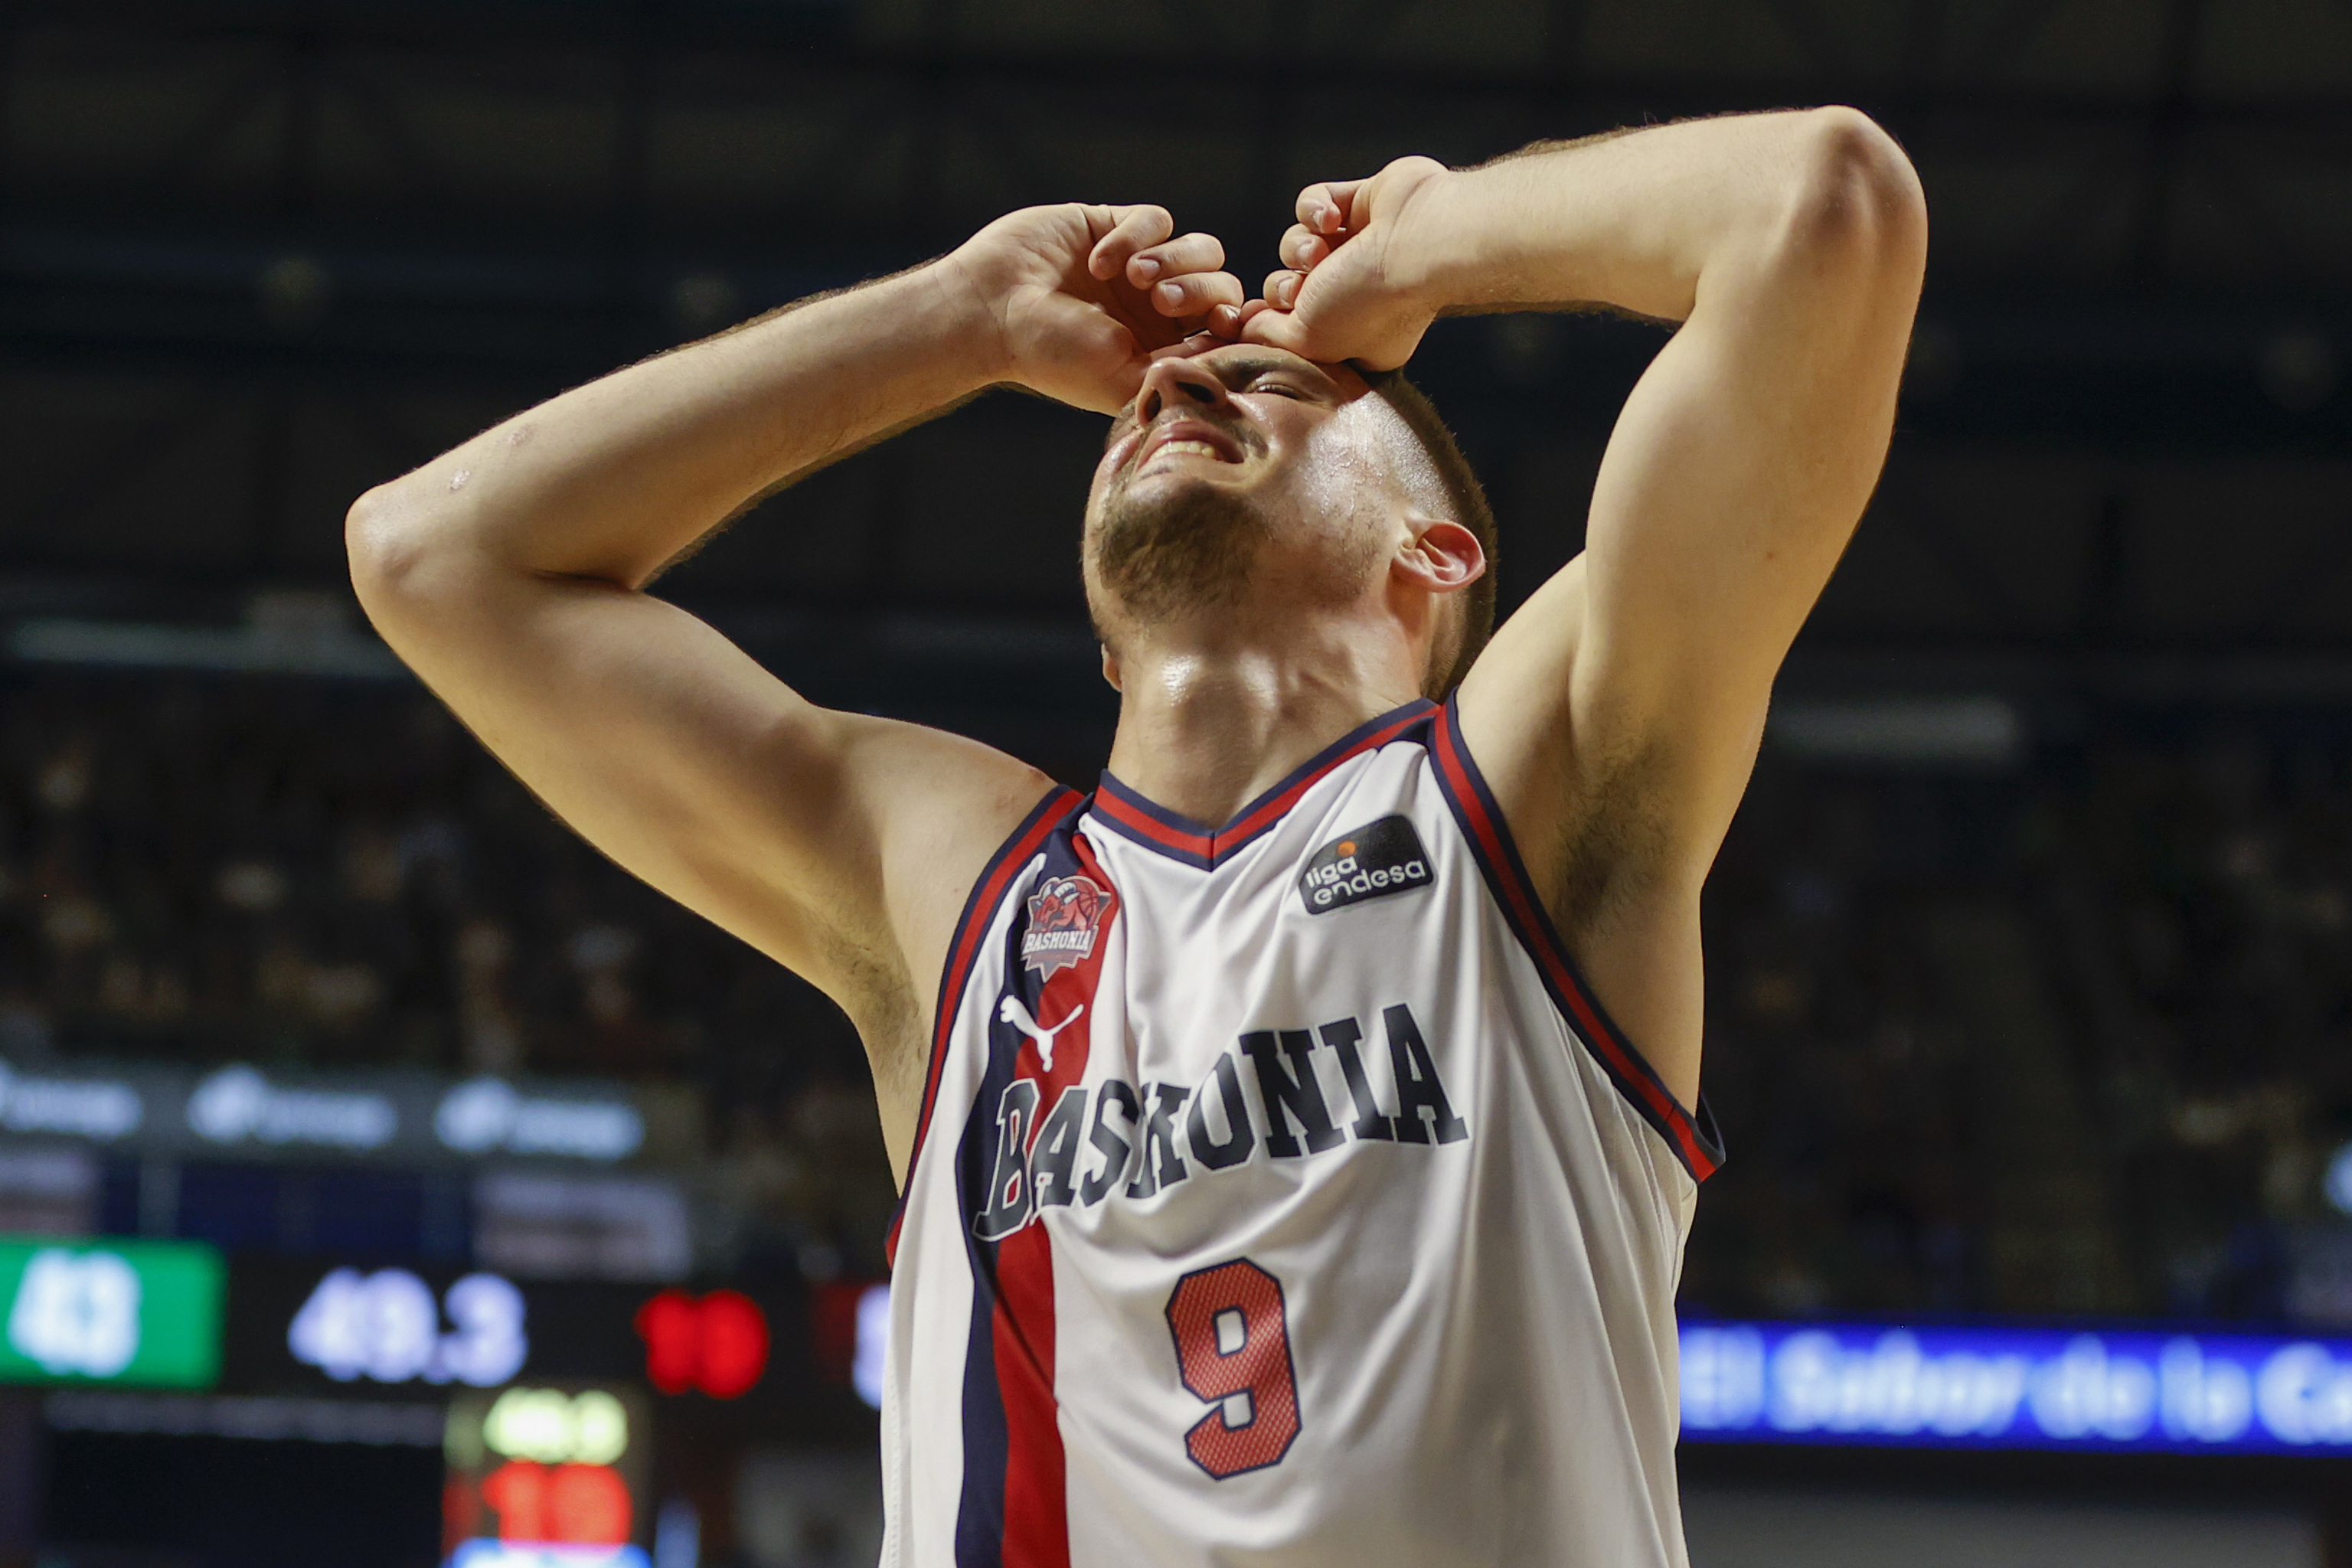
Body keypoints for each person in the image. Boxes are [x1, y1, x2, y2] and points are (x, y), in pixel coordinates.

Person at [349, 106, 1924, 1567]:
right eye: (1167, 386)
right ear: (1103, 644)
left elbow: (1824, 211)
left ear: (1431, 553)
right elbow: (436, 555)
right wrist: (954, 319)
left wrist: (1427, 241)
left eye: (1278, 383)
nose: (1181, 381)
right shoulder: (959, 879)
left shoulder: (1528, 790)